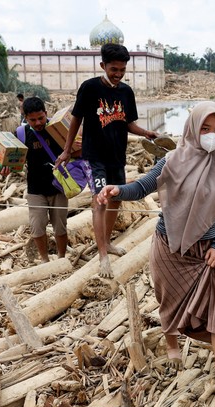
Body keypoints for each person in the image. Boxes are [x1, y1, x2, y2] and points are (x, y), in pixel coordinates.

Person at [96, 101, 215, 405]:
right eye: (205, 128)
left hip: (206, 254)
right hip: (169, 246)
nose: (212, 135)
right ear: (192, 128)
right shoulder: (171, 161)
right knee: (169, 302)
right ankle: (172, 342)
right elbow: (142, 187)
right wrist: (117, 191)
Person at [55, 43, 158, 277]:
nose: (118, 74)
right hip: (95, 158)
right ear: (103, 65)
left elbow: (127, 122)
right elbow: (76, 119)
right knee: (99, 202)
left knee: (116, 200)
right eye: (114, 69)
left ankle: (108, 243)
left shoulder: (125, 92)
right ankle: (102, 255)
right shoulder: (90, 88)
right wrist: (67, 150)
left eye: (122, 70)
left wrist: (146, 133)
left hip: (116, 157)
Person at [0, 96, 69, 262]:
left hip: (59, 186)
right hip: (35, 188)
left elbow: (73, 149)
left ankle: (61, 258)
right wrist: (4, 168)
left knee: (60, 226)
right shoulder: (21, 134)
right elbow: (13, 161)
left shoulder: (57, 128)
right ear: (25, 118)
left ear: (46, 113)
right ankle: (44, 260)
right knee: (37, 227)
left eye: (41, 118)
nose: (38, 123)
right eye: (33, 120)